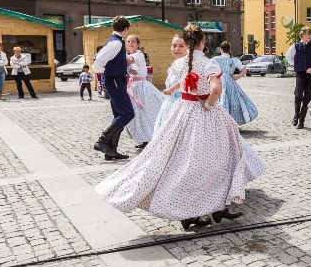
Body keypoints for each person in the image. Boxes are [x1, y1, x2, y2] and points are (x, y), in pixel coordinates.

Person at [95, 24, 266, 230]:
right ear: (203, 43)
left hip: (183, 111)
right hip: (205, 115)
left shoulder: (179, 64)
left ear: (187, 43)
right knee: (217, 158)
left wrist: (171, 90)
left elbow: (183, 83)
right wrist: (209, 105)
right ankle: (211, 207)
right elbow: (216, 89)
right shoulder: (209, 63)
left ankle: (205, 209)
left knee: (179, 159)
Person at [92, 16, 134, 160]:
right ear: (126, 29)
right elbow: (98, 61)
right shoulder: (116, 43)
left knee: (119, 115)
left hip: (115, 79)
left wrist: (124, 63)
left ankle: (111, 150)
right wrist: (105, 72)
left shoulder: (116, 42)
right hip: (114, 80)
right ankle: (102, 141)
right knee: (127, 114)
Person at [125, 35, 164, 149]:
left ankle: (149, 137)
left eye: (133, 42)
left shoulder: (137, 55)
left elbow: (128, 62)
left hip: (141, 87)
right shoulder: (129, 56)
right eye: (128, 41)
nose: (131, 43)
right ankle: (144, 137)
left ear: (137, 44)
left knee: (145, 112)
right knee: (138, 114)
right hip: (134, 86)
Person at [284, 27, 311, 129]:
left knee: (307, 98)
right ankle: (296, 116)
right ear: (302, 35)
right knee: (298, 96)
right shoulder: (295, 47)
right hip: (300, 74)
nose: (309, 36)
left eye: (310, 34)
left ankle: (301, 121)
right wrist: (296, 65)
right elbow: (288, 56)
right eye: (307, 34)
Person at [215, 41, 258, 125]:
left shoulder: (216, 59)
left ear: (221, 49)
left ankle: (220, 121)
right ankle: (231, 121)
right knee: (234, 99)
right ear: (229, 49)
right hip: (230, 82)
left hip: (219, 81)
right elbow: (244, 70)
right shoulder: (233, 60)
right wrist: (235, 78)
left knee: (221, 99)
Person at [154, 34, 187, 133]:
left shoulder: (188, 63)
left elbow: (185, 80)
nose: (177, 49)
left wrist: (171, 89)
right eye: (174, 45)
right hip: (170, 103)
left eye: (181, 46)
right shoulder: (176, 63)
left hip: (181, 105)